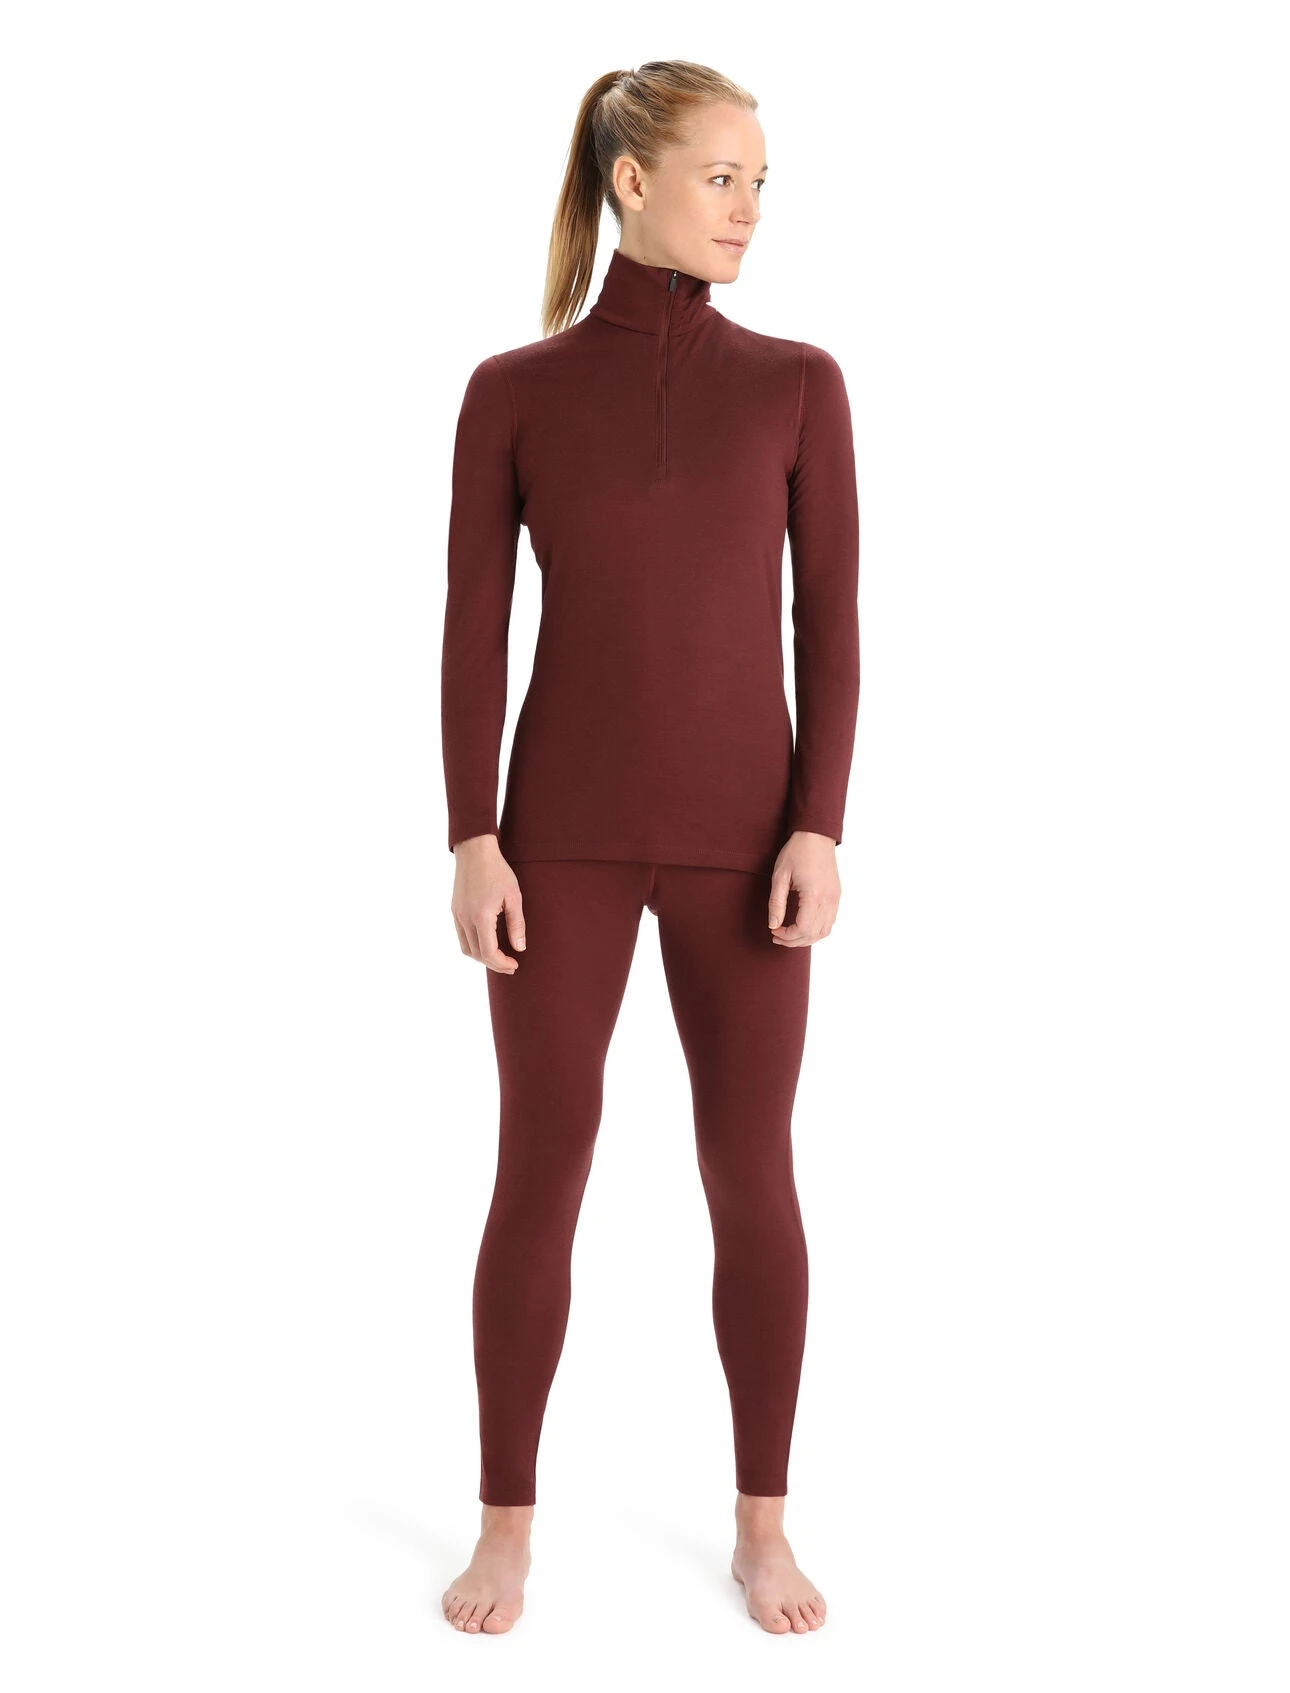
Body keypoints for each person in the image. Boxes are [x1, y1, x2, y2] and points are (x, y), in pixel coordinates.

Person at [439, 60, 859, 1636]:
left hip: (746, 853)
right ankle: (504, 1528)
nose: (748, 209)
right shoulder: (514, 391)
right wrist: (472, 835)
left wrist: (818, 821)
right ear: (633, 182)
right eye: (719, 178)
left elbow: (833, 626)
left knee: (752, 1175)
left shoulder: (798, 384)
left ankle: (762, 1526)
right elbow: (472, 631)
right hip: (557, 848)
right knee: (537, 1169)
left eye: (760, 183)